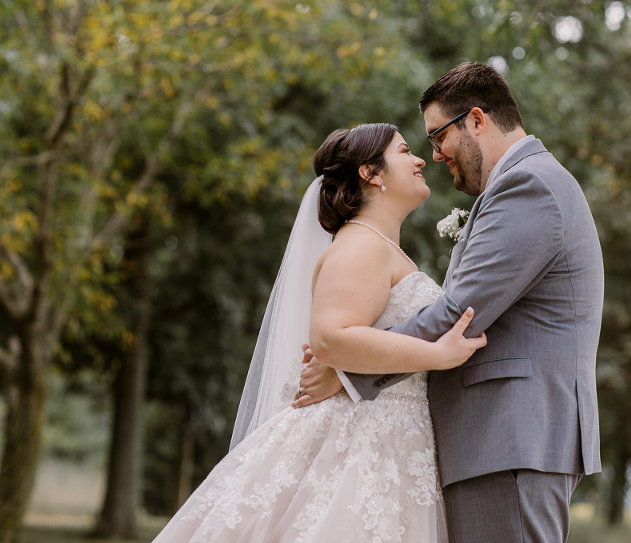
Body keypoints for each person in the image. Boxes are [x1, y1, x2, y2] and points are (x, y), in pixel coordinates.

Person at [294, 62, 605, 543]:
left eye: (438, 136)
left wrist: (346, 368)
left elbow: (460, 313)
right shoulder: (523, 184)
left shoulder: (528, 185)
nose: (434, 155)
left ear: (476, 121)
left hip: (508, 438)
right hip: (499, 442)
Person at [150, 123, 486, 543]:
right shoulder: (361, 245)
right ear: (370, 173)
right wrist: (437, 355)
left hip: (392, 437)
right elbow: (330, 338)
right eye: (404, 151)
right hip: (360, 438)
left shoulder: (379, 246)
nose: (421, 159)